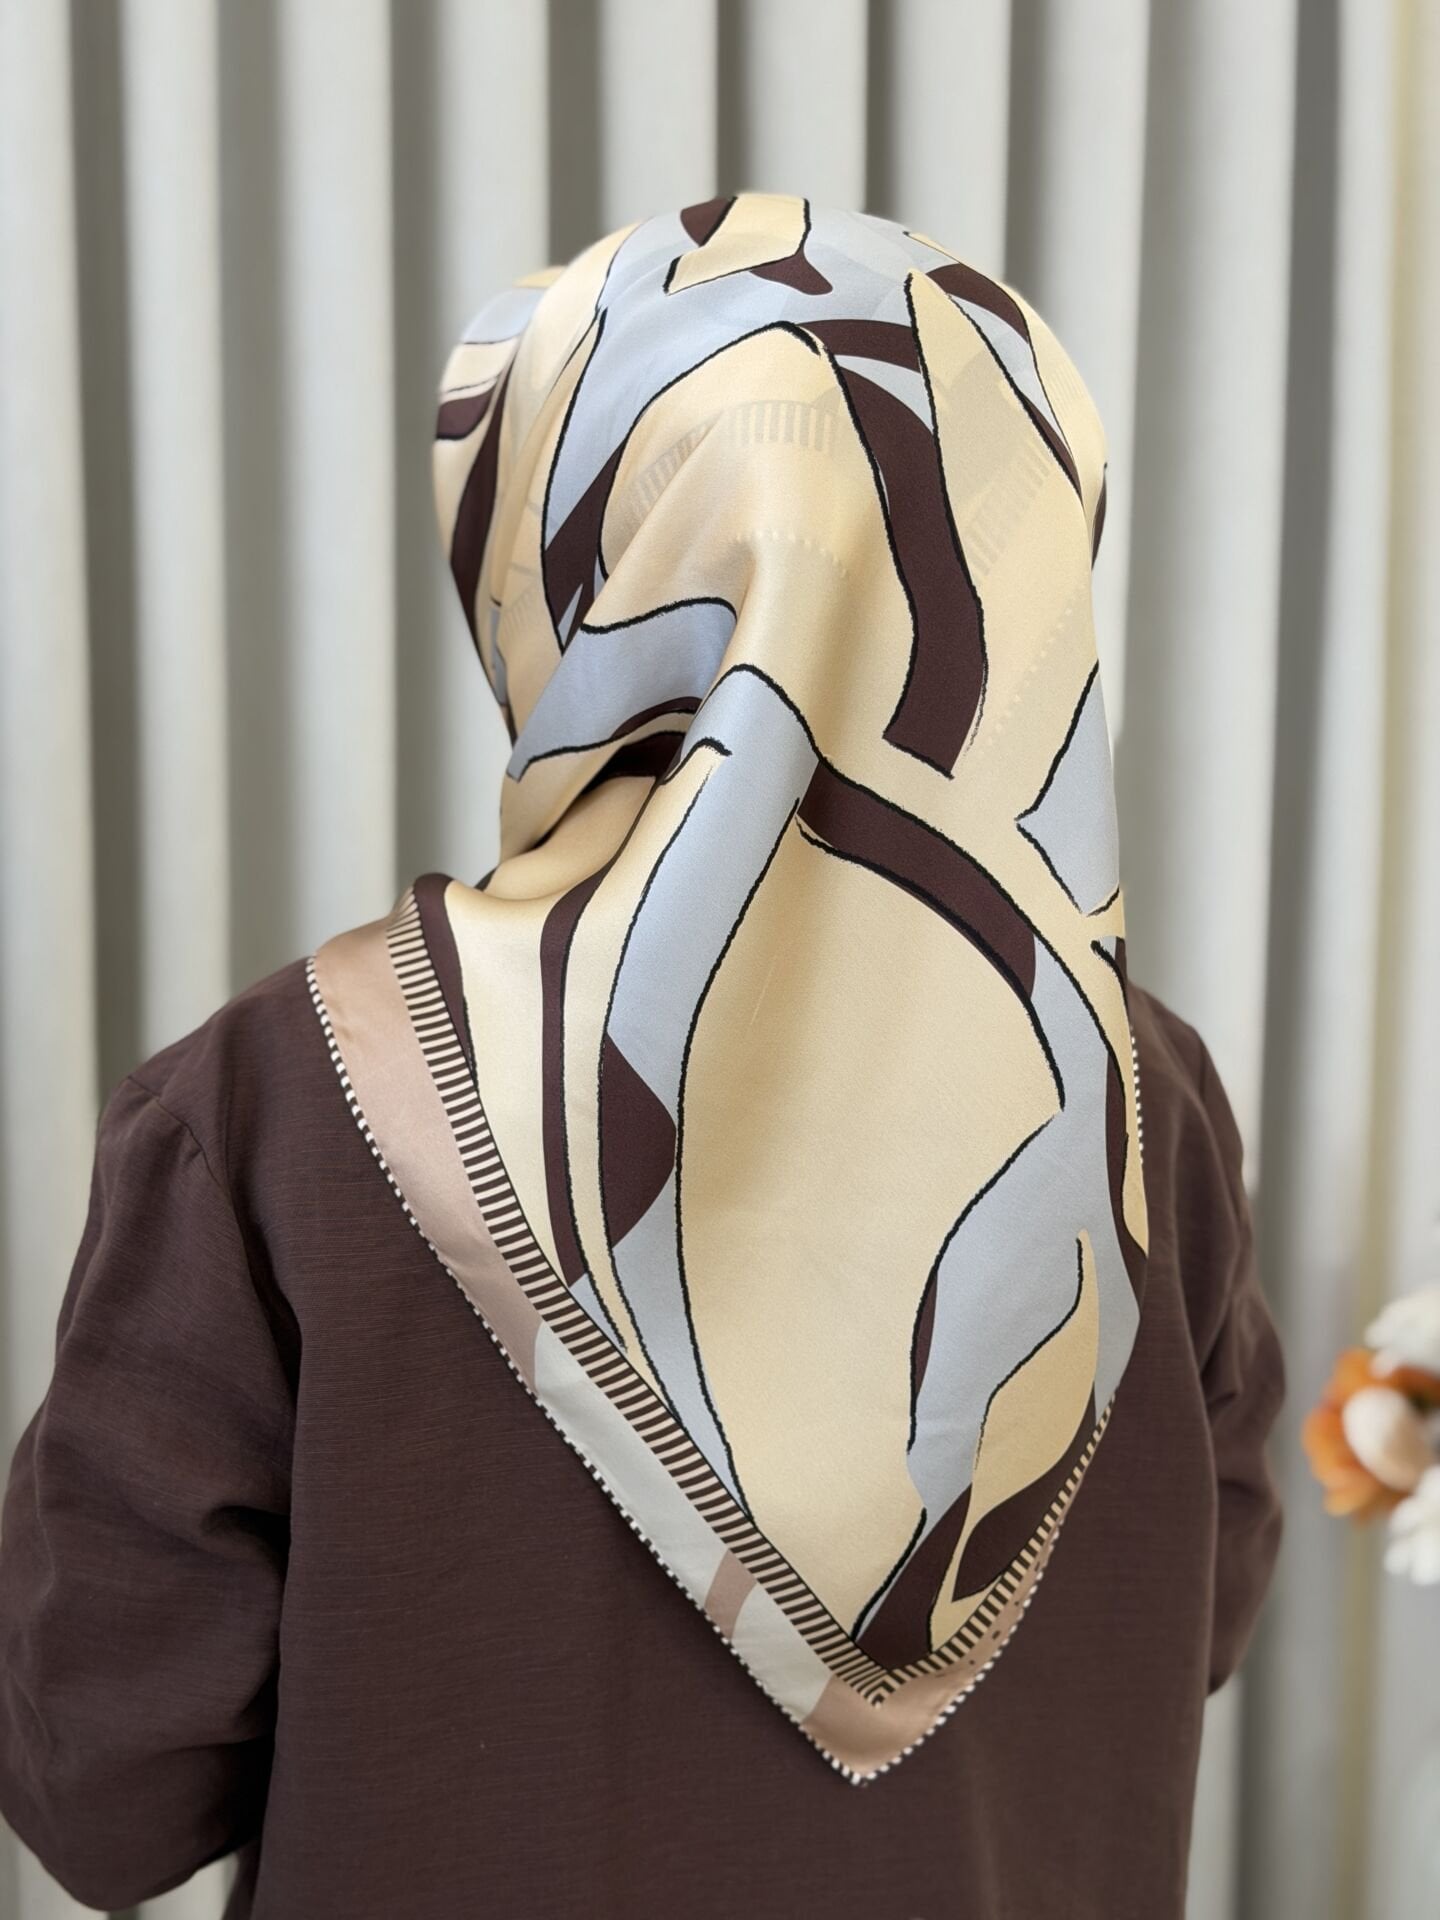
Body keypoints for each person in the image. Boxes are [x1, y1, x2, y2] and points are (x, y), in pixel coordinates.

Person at [0, 196, 1283, 1919]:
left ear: (568, 554)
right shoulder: (1149, 1109)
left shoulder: (282, 1106)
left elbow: (103, 1791)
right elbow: (1187, 1626)